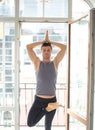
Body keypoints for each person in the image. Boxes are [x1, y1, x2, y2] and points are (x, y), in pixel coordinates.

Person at [26, 30, 66, 130]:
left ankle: (48, 108)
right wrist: (43, 41)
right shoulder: (37, 62)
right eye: (44, 50)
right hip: (39, 100)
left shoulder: (55, 63)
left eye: (48, 50)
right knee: (30, 123)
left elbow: (64, 48)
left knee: (48, 127)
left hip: (52, 100)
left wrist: (50, 41)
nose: (46, 52)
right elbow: (28, 47)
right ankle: (46, 109)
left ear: (51, 51)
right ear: (41, 51)